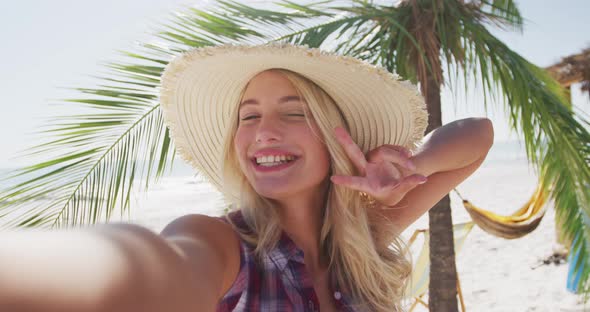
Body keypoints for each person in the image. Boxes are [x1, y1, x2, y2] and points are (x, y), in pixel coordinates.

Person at [0, 43, 493, 312]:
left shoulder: (361, 235)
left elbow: (478, 137)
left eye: (294, 114)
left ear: (333, 137)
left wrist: (411, 166)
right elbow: (146, 267)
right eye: (248, 116)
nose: (264, 134)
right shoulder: (219, 244)